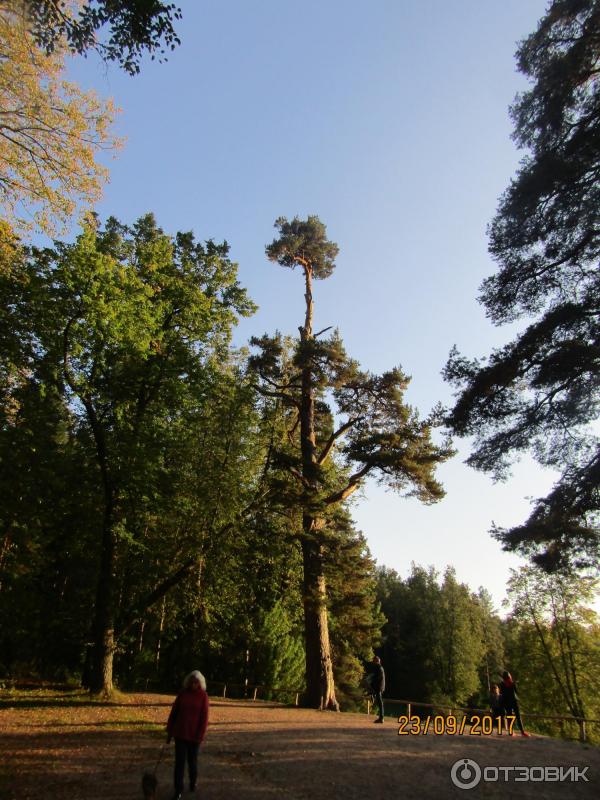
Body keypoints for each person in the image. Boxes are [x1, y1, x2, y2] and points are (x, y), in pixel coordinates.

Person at [166, 670, 210, 799]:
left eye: (196, 682)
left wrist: (200, 735)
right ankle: (178, 789)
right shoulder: (182, 694)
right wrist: (169, 730)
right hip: (180, 733)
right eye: (191, 681)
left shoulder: (203, 696)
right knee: (179, 762)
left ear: (200, 683)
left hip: (194, 736)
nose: (193, 684)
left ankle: (192, 782)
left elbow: (204, 718)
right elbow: (174, 713)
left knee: (192, 762)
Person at [499, 670, 530, 737]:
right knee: (518, 717)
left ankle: (511, 732)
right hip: (513, 701)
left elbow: (501, 693)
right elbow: (517, 692)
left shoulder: (502, 684)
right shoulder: (512, 683)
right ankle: (522, 732)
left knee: (510, 717)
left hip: (507, 702)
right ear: (509, 677)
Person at [371, 655, 385, 723]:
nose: (373, 663)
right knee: (379, 702)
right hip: (380, 687)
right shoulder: (380, 668)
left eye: (374, 661)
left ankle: (381, 718)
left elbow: (378, 679)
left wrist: (372, 684)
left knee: (380, 702)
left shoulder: (378, 668)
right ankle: (381, 717)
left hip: (378, 687)